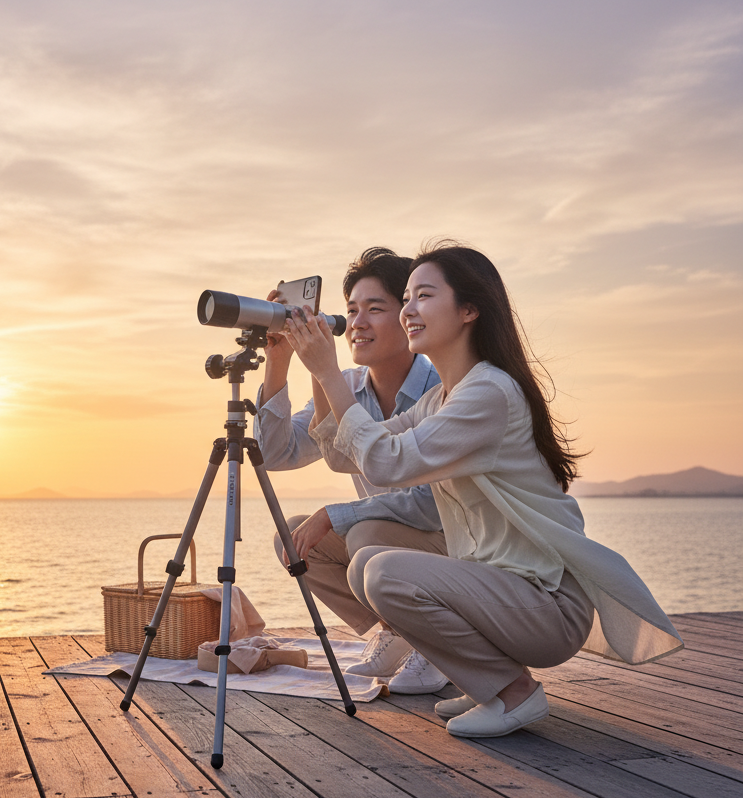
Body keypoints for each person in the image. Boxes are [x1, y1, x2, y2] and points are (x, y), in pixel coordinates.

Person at [283, 241, 682, 738]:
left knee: (382, 568)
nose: (409, 310)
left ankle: (515, 694)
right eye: (406, 298)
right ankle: (486, 684)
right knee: (367, 564)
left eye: (423, 295)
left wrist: (325, 368)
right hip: (504, 593)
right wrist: (320, 374)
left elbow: (386, 463)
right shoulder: (442, 398)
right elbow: (347, 455)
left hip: (546, 604)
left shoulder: (489, 393)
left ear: (469, 310)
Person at [253, 248, 450, 692]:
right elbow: (276, 452)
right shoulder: (348, 386)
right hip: (387, 548)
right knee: (296, 538)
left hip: (454, 543)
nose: (357, 323)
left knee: (363, 534)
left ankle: (438, 642)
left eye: (375, 309)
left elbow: (431, 504)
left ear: (409, 315)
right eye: (350, 311)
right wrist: (280, 358)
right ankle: (398, 632)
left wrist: (336, 515)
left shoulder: (441, 387)